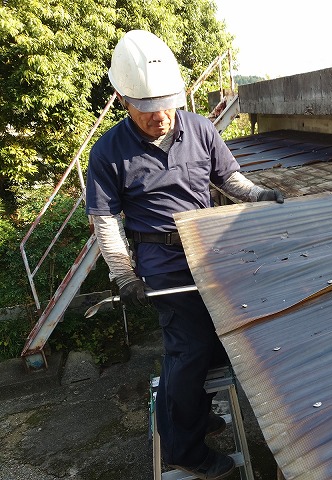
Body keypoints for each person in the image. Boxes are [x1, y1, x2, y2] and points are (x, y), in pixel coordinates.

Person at [85, 30, 284, 480]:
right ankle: (184, 449)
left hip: (209, 251)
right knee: (190, 349)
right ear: (123, 99)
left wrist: (258, 195)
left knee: (219, 345)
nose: (160, 118)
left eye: (167, 107)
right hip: (161, 262)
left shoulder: (199, 128)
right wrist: (123, 274)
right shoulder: (109, 153)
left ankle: (194, 412)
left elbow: (228, 179)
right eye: (147, 111)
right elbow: (106, 222)